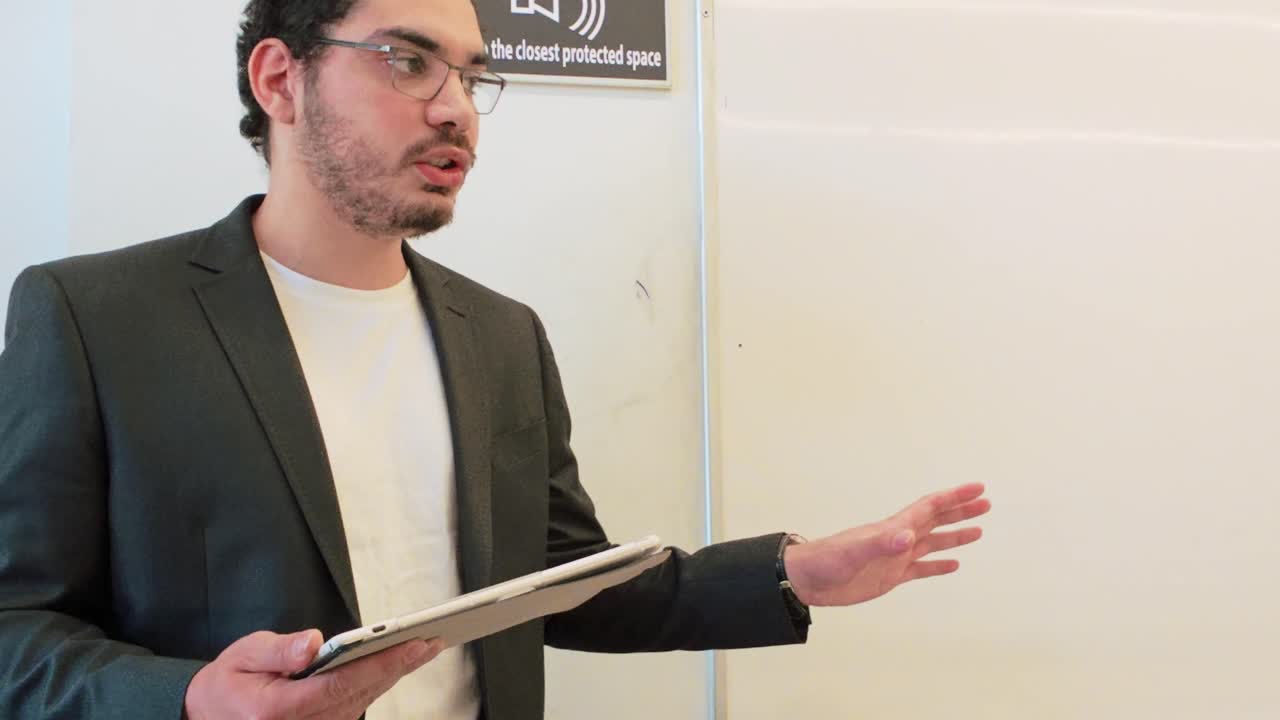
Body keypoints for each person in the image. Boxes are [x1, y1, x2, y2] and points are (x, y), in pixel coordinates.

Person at [0, 1, 991, 718]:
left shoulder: (500, 335)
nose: (455, 110)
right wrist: (186, 698)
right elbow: (17, 630)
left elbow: (561, 583)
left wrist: (792, 574)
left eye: (471, 76)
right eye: (406, 60)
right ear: (278, 79)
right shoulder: (94, 316)